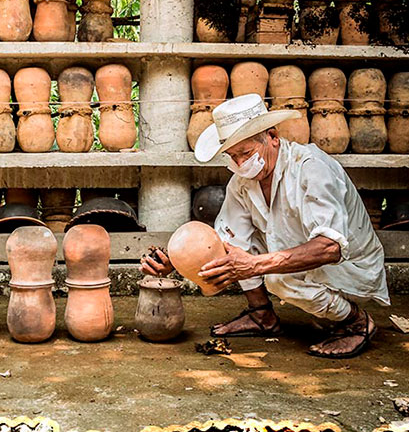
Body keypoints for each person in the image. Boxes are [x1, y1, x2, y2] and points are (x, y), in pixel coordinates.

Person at [142, 93, 389, 358]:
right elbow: (225, 243)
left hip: (348, 265)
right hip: (298, 252)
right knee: (238, 248)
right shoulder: (242, 182)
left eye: (246, 153)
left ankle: (356, 322)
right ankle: (262, 315)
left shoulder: (311, 168)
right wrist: (176, 262)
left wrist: (255, 264)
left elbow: (331, 248)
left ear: (272, 136)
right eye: (232, 156)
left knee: (276, 278)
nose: (240, 164)